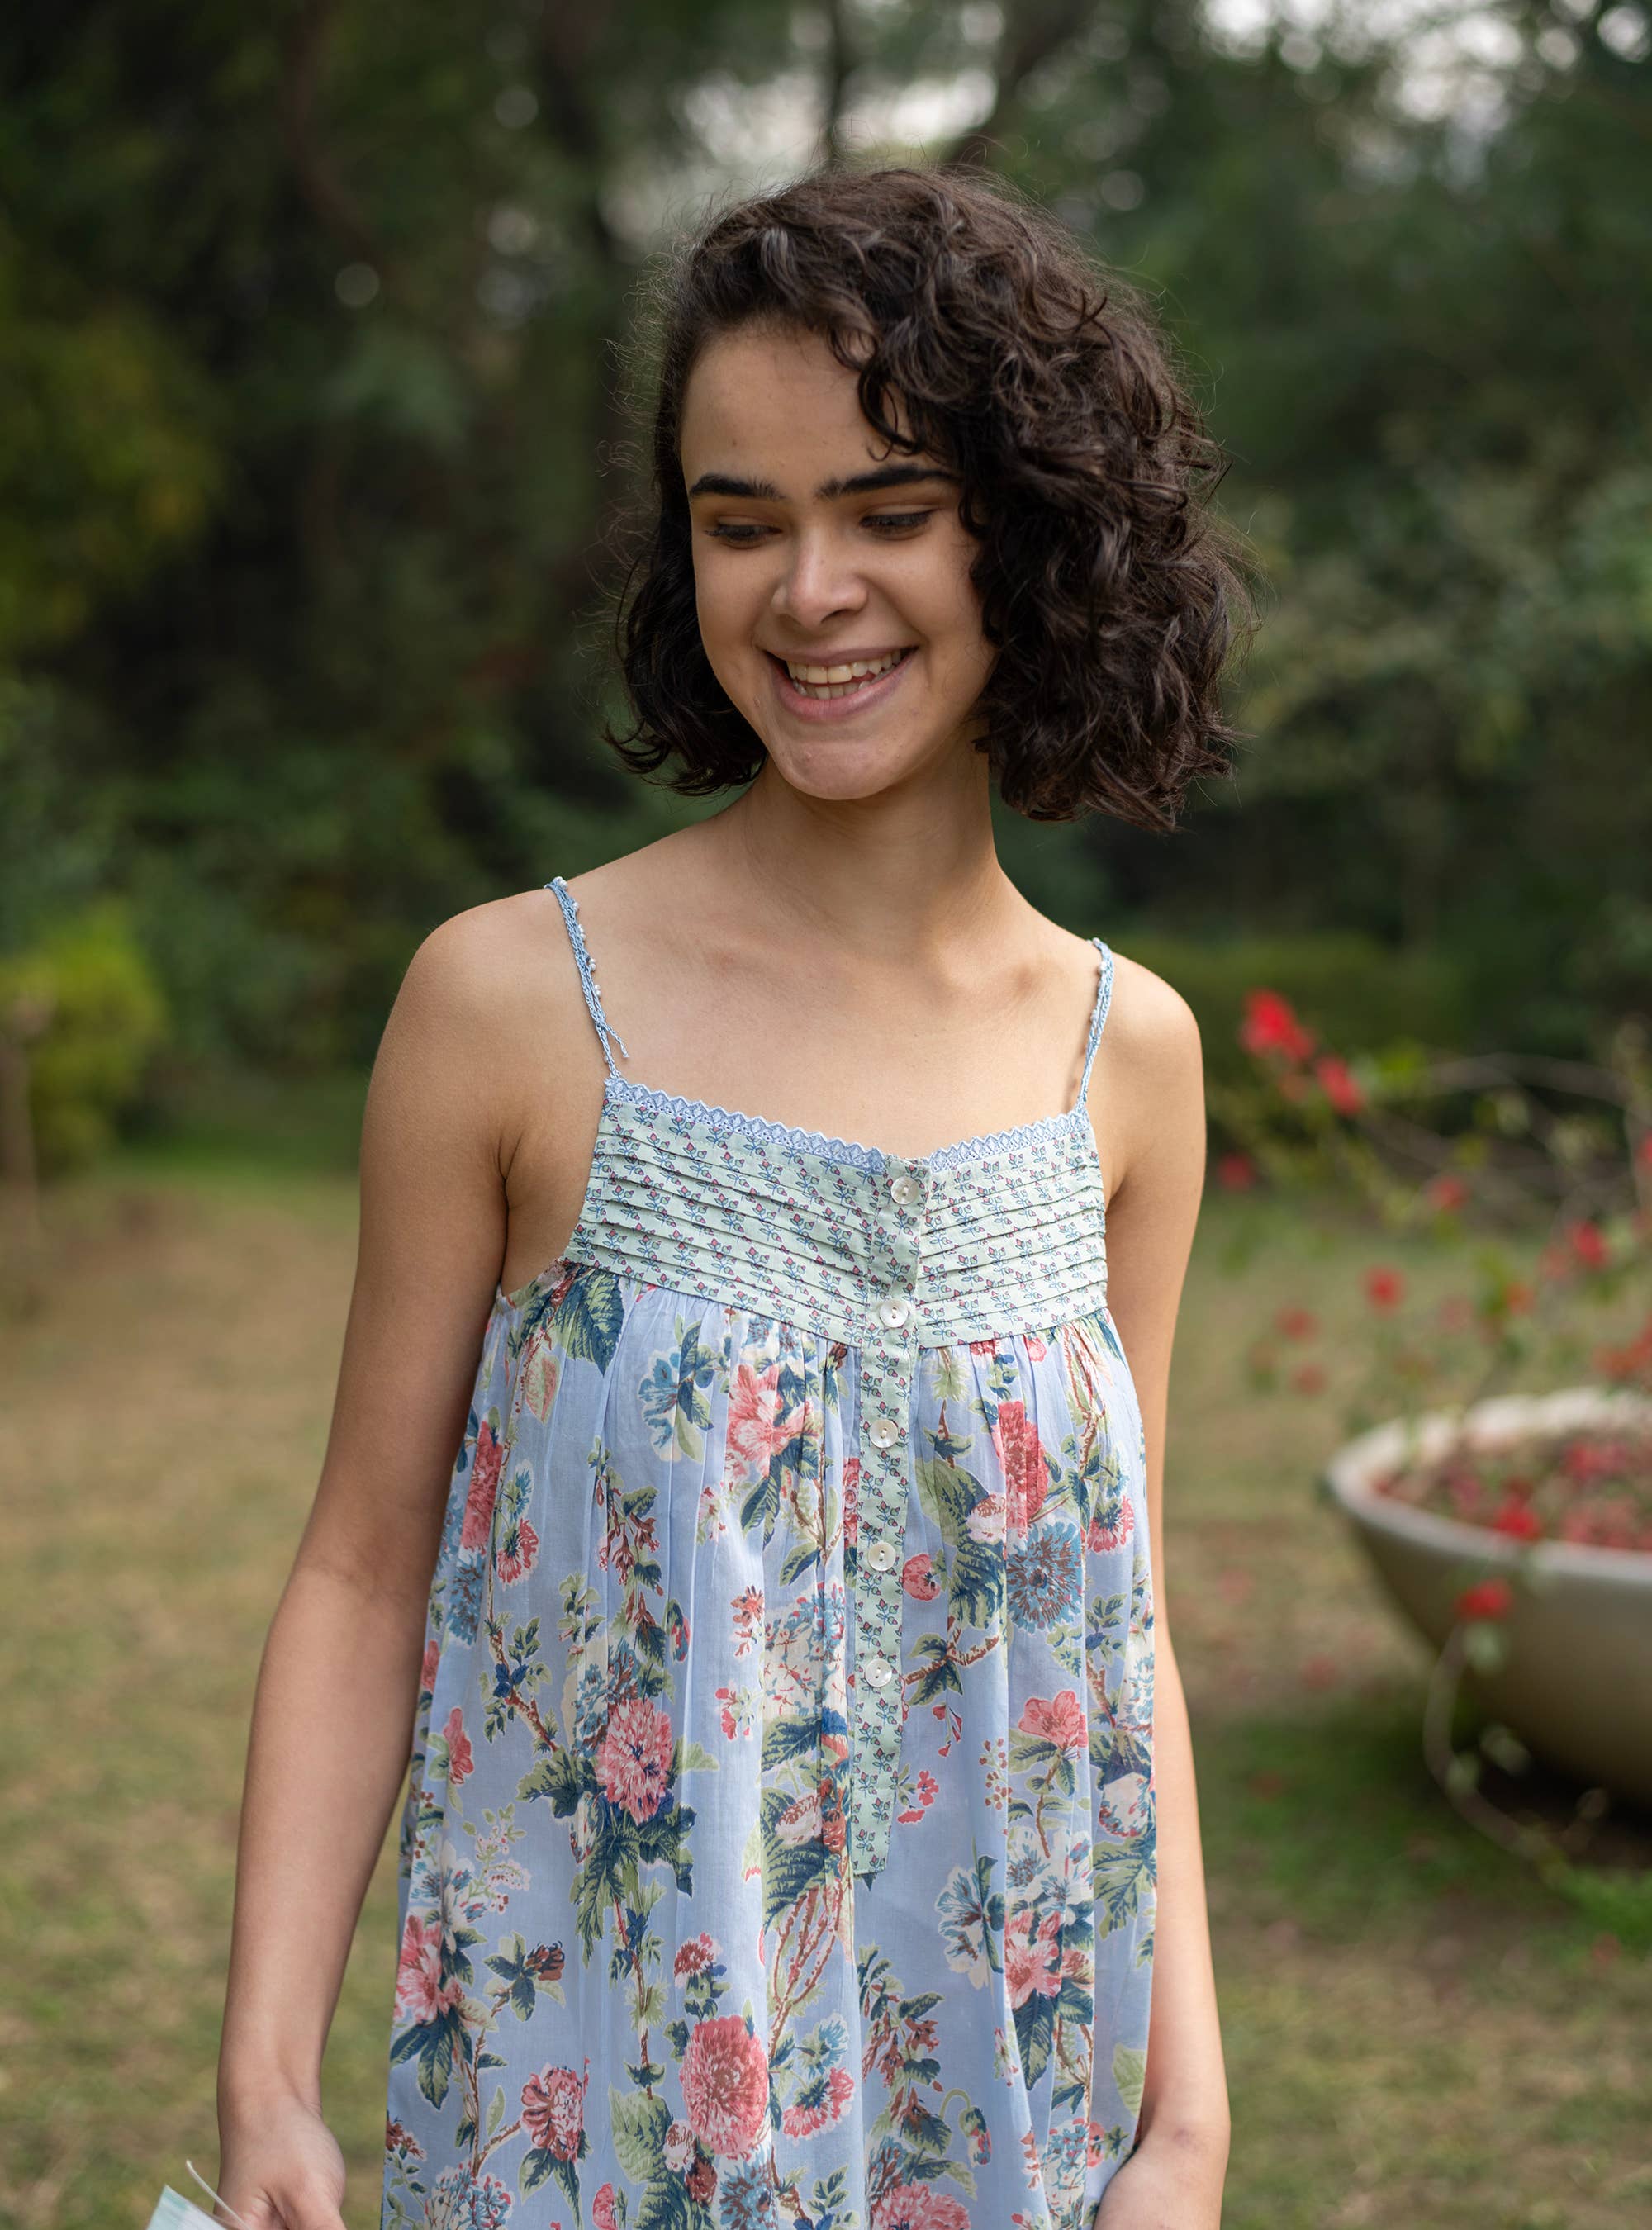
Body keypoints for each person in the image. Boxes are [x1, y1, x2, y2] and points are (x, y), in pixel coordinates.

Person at [215, 161, 1253, 2230]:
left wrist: (1187, 2128)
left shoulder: (1124, 1062)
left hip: (1004, 2124)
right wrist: (266, 2082)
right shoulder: (511, 1008)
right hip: (582, 2117)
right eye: (741, 520)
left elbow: (1117, 1630)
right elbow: (360, 1571)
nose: (808, 592)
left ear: (1026, 530)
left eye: (888, 510)